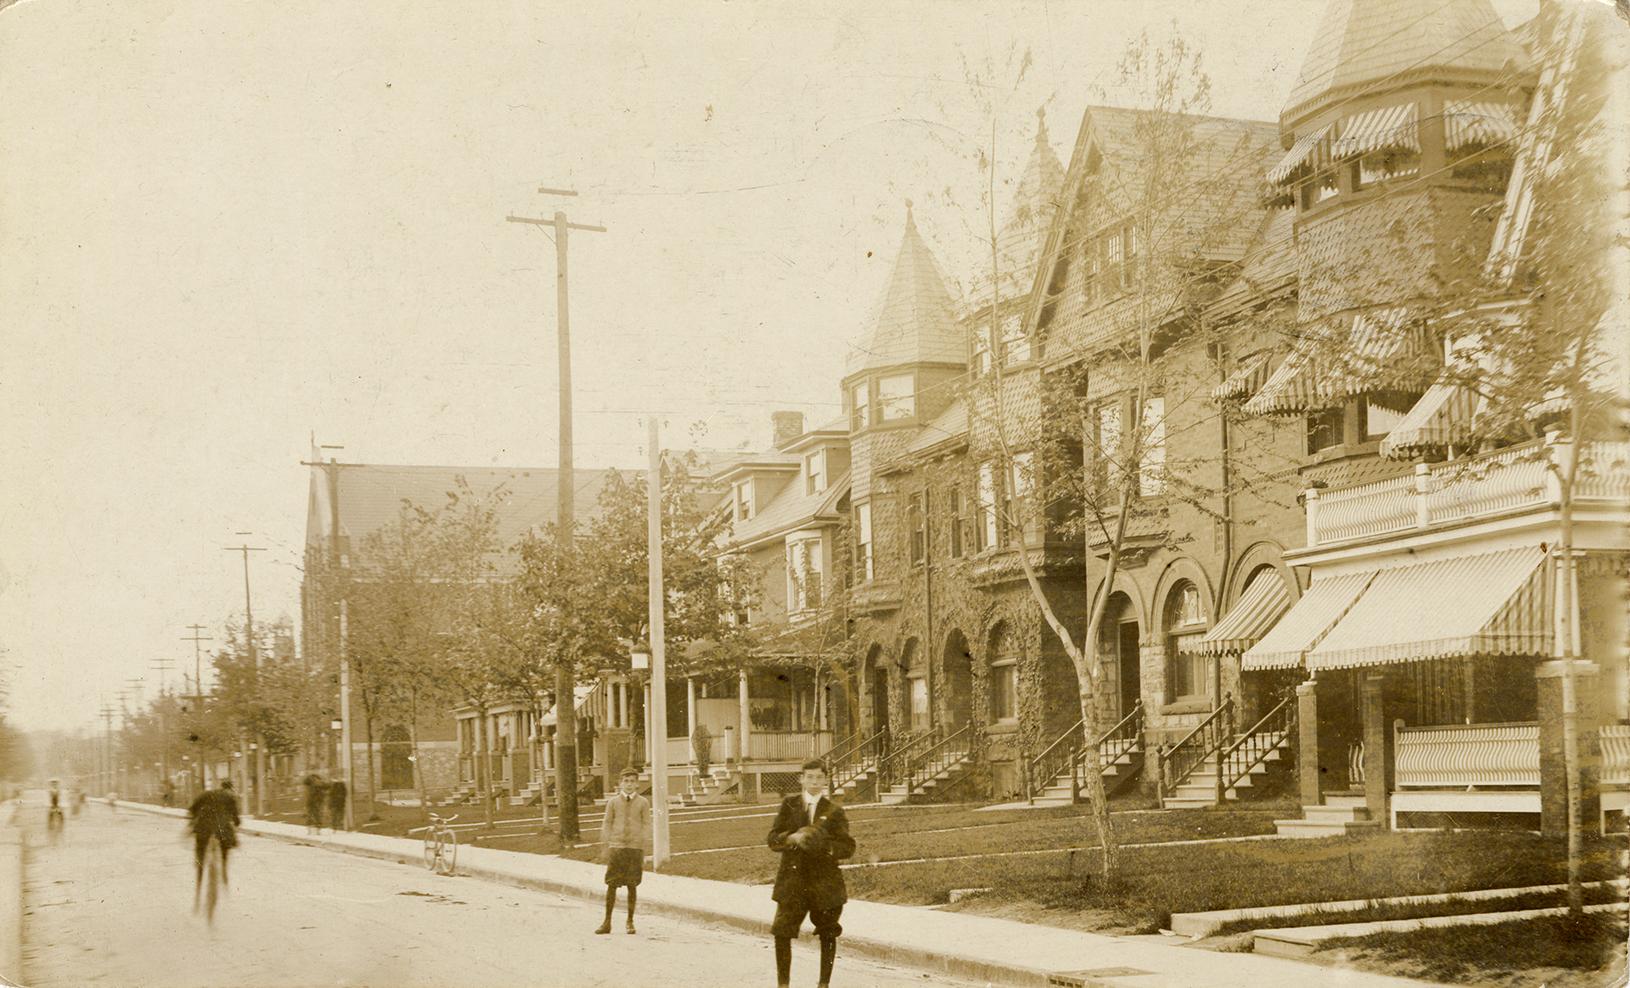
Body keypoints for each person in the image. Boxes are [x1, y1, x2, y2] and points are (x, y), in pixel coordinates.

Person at [766, 759, 855, 988]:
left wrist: (824, 845)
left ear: (825, 780)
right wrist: (791, 838)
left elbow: (847, 847)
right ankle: (783, 984)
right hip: (793, 881)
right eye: (810, 777)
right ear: (801, 779)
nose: (814, 782)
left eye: (819, 777)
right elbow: (772, 839)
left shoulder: (834, 811)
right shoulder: (789, 805)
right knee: (782, 932)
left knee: (828, 933)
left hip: (823, 882)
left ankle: (823, 984)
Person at [596, 767, 650, 935]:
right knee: (611, 885)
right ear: (620, 783)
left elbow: (646, 824)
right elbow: (607, 823)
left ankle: (630, 921)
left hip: (634, 849)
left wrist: (643, 847)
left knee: (632, 885)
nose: (629, 785)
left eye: (632, 781)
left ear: (637, 784)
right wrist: (606, 844)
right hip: (617, 848)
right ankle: (607, 922)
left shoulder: (643, 802)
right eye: (626, 781)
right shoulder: (613, 802)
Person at [188, 778, 241, 909]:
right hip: (221, 831)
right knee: (226, 845)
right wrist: (236, 823)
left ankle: (199, 879)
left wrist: (192, 822)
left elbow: (192, 809)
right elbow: (236, 818)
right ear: (229, 788)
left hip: (203, 829)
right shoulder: (230, 797)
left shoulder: (206, 794)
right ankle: (224, 869)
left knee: (200, 853)